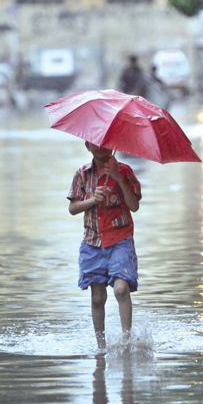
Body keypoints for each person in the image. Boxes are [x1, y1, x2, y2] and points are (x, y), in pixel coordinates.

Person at [67, 141, 141, 349]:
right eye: (95, 144)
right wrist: (92, 200)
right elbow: (73, 208)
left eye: (106, 144)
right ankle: (101, 346)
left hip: (120, 239)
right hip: (93, 241)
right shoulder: (82, 174)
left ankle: (127, 341)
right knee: (98, 297)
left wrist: (118, 177)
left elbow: (134, 206)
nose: (101, 148)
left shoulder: (125, 171)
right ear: (87, 146)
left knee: (120, 289)